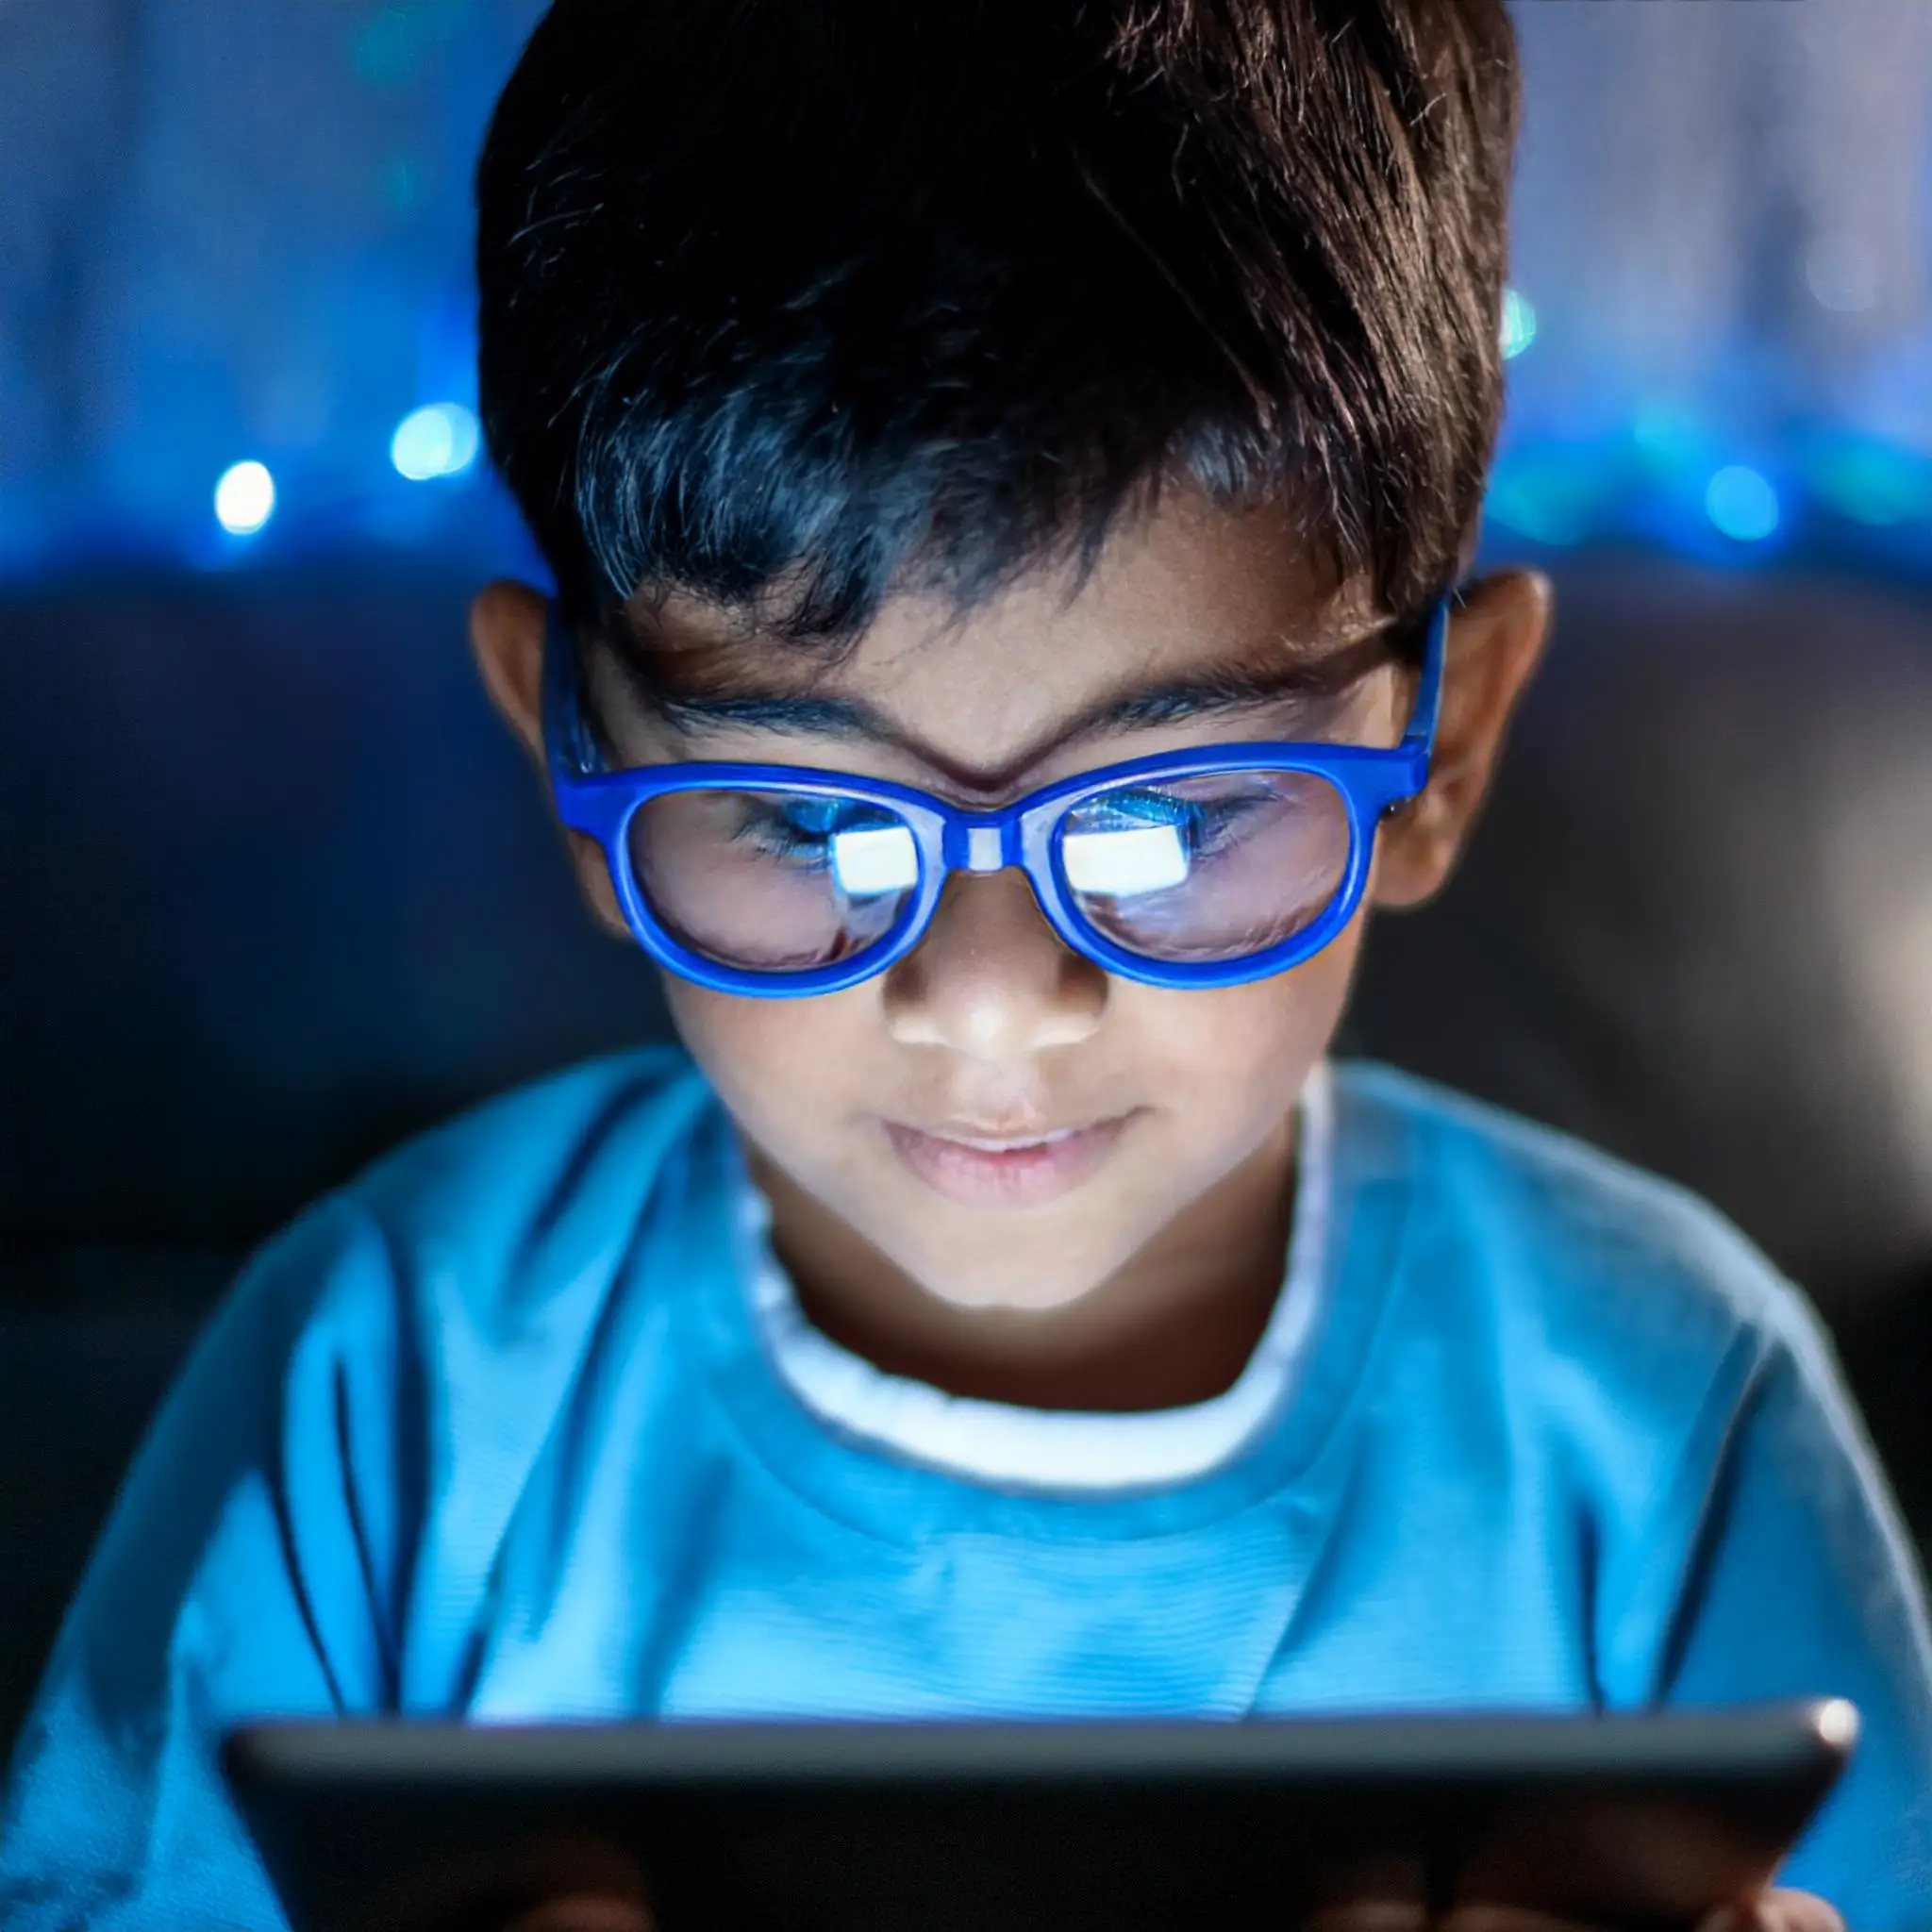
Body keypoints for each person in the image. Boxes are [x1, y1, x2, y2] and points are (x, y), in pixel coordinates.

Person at [4, 1, 1929, 1927]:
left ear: (1448, 751)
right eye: (814, 823)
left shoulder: (1671, 1420)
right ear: (568, 755)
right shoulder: (380, 1394)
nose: (989, 999)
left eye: (1167, 821)